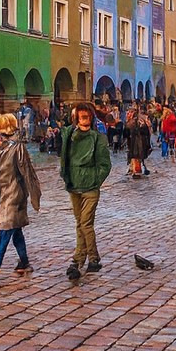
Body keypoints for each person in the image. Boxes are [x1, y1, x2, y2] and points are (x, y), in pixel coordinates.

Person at [0, 112, 42, 286]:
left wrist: (34, 195)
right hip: (1, 196)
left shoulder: (17, 148)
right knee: (15, 230)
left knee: (5, 232)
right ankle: (24, 262)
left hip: (15, 196)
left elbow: (28, 172)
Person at [59, 102, 111, 281]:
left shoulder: (97, 138)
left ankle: (87, 259)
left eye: (86, 116)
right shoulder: (69, 135)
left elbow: (105, 165)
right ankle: (85, 260)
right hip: (74, 186)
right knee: (80, 223)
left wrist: (94, 179)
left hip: (90, 188)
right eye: (80, 117)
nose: (83, 120)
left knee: (85, 223)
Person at [126, 106, 153, 178]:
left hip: (135, 141)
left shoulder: (132, 122)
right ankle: (135, 169)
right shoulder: (142, 121)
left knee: (136, 156)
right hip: (141, 141)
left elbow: (126, 132)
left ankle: (137, 171)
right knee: (138, 156)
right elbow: (147, 132)